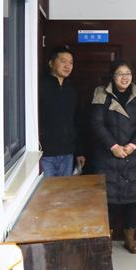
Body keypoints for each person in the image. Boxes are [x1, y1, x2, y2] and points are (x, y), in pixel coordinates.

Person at [91, 59, 136, 254]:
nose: (124, 77)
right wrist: (113, 146)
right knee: (108, 199)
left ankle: (130, 238)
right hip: (108, 156)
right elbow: (96, 123)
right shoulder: (102, 95)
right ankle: (107, 238)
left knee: (132, 198)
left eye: (128, 73)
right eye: (120, 73)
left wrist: (132, 146)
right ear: (113, 76)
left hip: (133, 155)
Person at [39, 46, 85, 177]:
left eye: (70, 62)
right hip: (46, 154)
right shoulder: (40, 87)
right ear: (51, 63)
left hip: (67, 153)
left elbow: (76, 122)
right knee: (47, 189)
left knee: (64, 189)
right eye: (63, 61)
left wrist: (79, 152)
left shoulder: (71, 91)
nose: (67, 66)